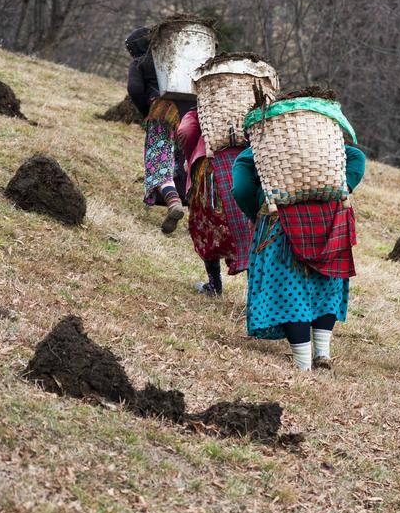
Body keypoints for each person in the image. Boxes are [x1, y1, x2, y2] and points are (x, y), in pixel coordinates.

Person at [231, 94, 364, 371]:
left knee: (290, 291)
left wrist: (254, 212)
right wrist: (341, 188)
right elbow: (357, 157)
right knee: (325, 283)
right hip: (329, 217)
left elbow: (241, 189)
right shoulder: (325, 144)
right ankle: (323, 352)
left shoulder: (257, 151)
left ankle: (303, 364)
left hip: (281, 221)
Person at [176, 108, 253, 296]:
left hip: (211, 166)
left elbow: (186, 131)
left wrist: (189, 157)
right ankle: (256, 290)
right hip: (248, 164)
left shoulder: (206, 104)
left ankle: (214, 284)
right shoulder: (251, 105)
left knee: (206, 225)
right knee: (252, 226)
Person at [125, 27, 191, 234]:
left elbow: (134, 90)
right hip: (190, 115)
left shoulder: (140, 62)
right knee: (186, 163)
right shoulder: (177, 58)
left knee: (159, 161)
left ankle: (173, 203)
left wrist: (148, 111)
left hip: (162, 113)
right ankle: (196, 210)